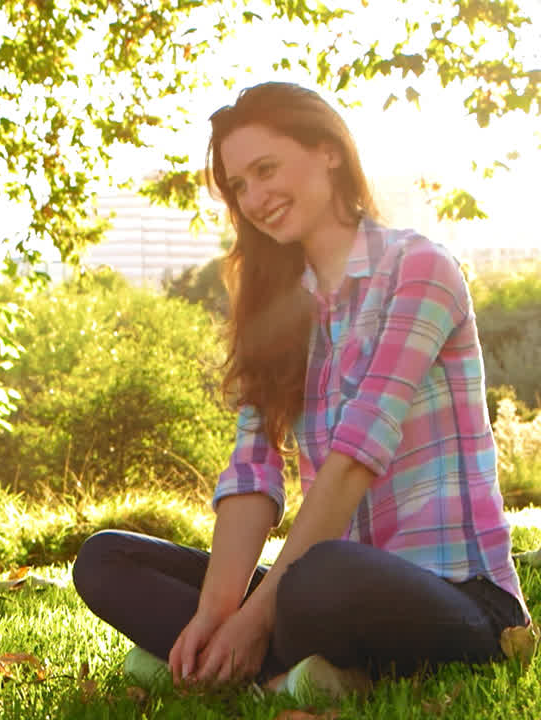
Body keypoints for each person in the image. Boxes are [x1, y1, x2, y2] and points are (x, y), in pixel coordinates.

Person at [71, 81, 531, 702]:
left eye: (266, 170)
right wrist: (216, 612)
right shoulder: (278, 307)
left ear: (329, 151)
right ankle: (288, 673)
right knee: (106, 561)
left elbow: (352, 460)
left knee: (317, 580)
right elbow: (252, 476)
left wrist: (254, 619)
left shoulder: (420, 268)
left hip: (461, 599)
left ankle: (247, 670)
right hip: (327, 584)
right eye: (239, 186)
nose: (255, 198)